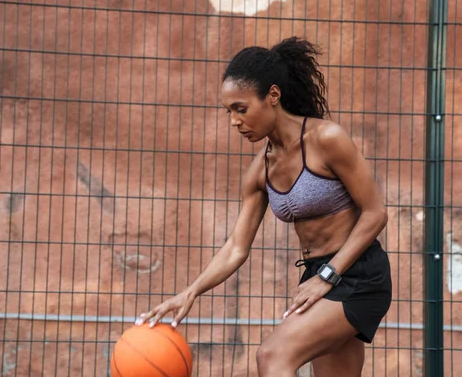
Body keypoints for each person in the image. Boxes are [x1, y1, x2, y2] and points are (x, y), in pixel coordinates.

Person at [135, 36, 392, 377]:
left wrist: (328, 276)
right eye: (229, 111)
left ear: (273, 96)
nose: (234, 121)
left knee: (272, 356)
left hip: (358, 274)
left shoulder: (326, 140)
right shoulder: (260, 171)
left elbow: (376, 213)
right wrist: (190, 292)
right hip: (318, 276)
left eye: (241, 109)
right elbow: (236, 247)